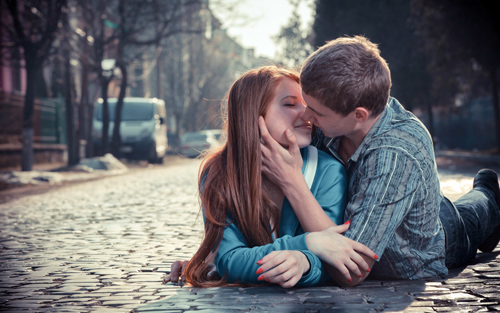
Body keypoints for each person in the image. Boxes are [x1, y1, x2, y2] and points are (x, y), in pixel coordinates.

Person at [258, 35, 500, 287]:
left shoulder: (395, 155)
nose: (306, 116)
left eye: (316, 112)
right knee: (460, 209)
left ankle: (487, 192)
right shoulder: (337, 113)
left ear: (359, 115)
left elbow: (352, 270)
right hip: (414, 202)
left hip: (442, 237)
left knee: (477, 212)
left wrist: (292, 182)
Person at [164, 66, 375, 288]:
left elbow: (334, 256)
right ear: (252, 113)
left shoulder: (328, 170)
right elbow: (229, 260)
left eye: (306, 103)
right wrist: (308, 242)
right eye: (290, 104)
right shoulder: (218, 172)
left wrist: (305, 262)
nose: (306, 113)